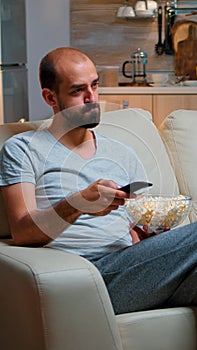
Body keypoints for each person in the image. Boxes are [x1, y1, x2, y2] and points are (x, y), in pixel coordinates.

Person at [0, 47, 196, 315]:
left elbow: (138, 230)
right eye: (77, 91)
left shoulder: (123, 153)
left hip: (133, 269)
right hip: (84, 274)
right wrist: (78, 202)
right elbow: (22, 231)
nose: (92, 98)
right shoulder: (22, 149)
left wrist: (152, 229)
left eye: (95, 85)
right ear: (50, 97)